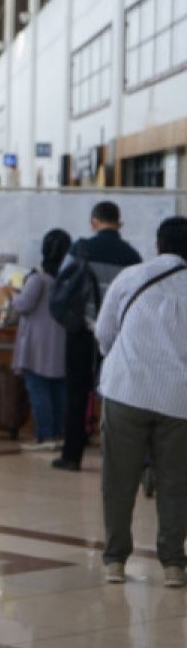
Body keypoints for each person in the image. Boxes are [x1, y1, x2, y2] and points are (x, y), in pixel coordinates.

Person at [94, 216, 187, 586]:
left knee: (118, 478)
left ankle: (116, 561)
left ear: (158, 244)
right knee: (175, 482)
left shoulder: (131, 276)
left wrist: (124, 359)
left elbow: (104, 332)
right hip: (179, 400)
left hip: (126, 390)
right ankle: (173, 566)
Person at [52, 201, 142, 471]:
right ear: (120, 223)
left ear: (94, 222)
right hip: (118, 335)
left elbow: (62, 283)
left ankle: (72, 455)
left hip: (81, 330)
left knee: (76, 392)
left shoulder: (80, 249)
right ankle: (114, 455)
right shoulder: (132, 257)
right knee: (117, 394)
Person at [8, 229, 72, 451]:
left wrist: (13, 294)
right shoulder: (67, 278)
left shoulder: (38, 277)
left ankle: (45, 436)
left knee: (38, 390)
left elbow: (23, 305)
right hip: (60, 343)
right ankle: (58, 433)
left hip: (36, 345)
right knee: (58, 391)